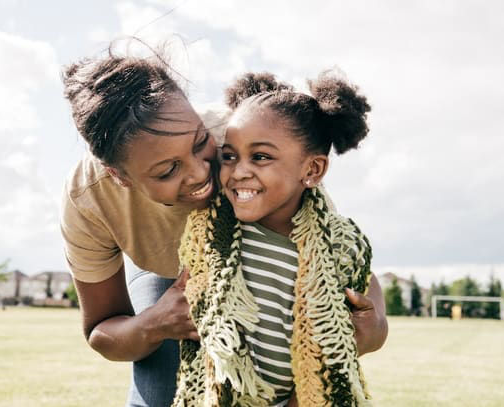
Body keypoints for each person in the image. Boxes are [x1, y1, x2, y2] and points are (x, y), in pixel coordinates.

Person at [60, 50, 388, 407]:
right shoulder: (89, 199)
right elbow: (101, 330)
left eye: (202, 145)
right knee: (159, 389)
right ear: (119, 176)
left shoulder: (246, 140)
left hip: (250, 275)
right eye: (167, 170)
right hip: (167, 272)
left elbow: (333, 265)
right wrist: (155, 323)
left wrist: (373, 328)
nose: (202, 174)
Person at [173, 72, 382, 407]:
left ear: (312, 170)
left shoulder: (335, 245)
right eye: (230, 156)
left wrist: (378, 326)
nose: (239, 171)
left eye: (260, 157)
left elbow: (363, 297)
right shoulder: (213, 233)